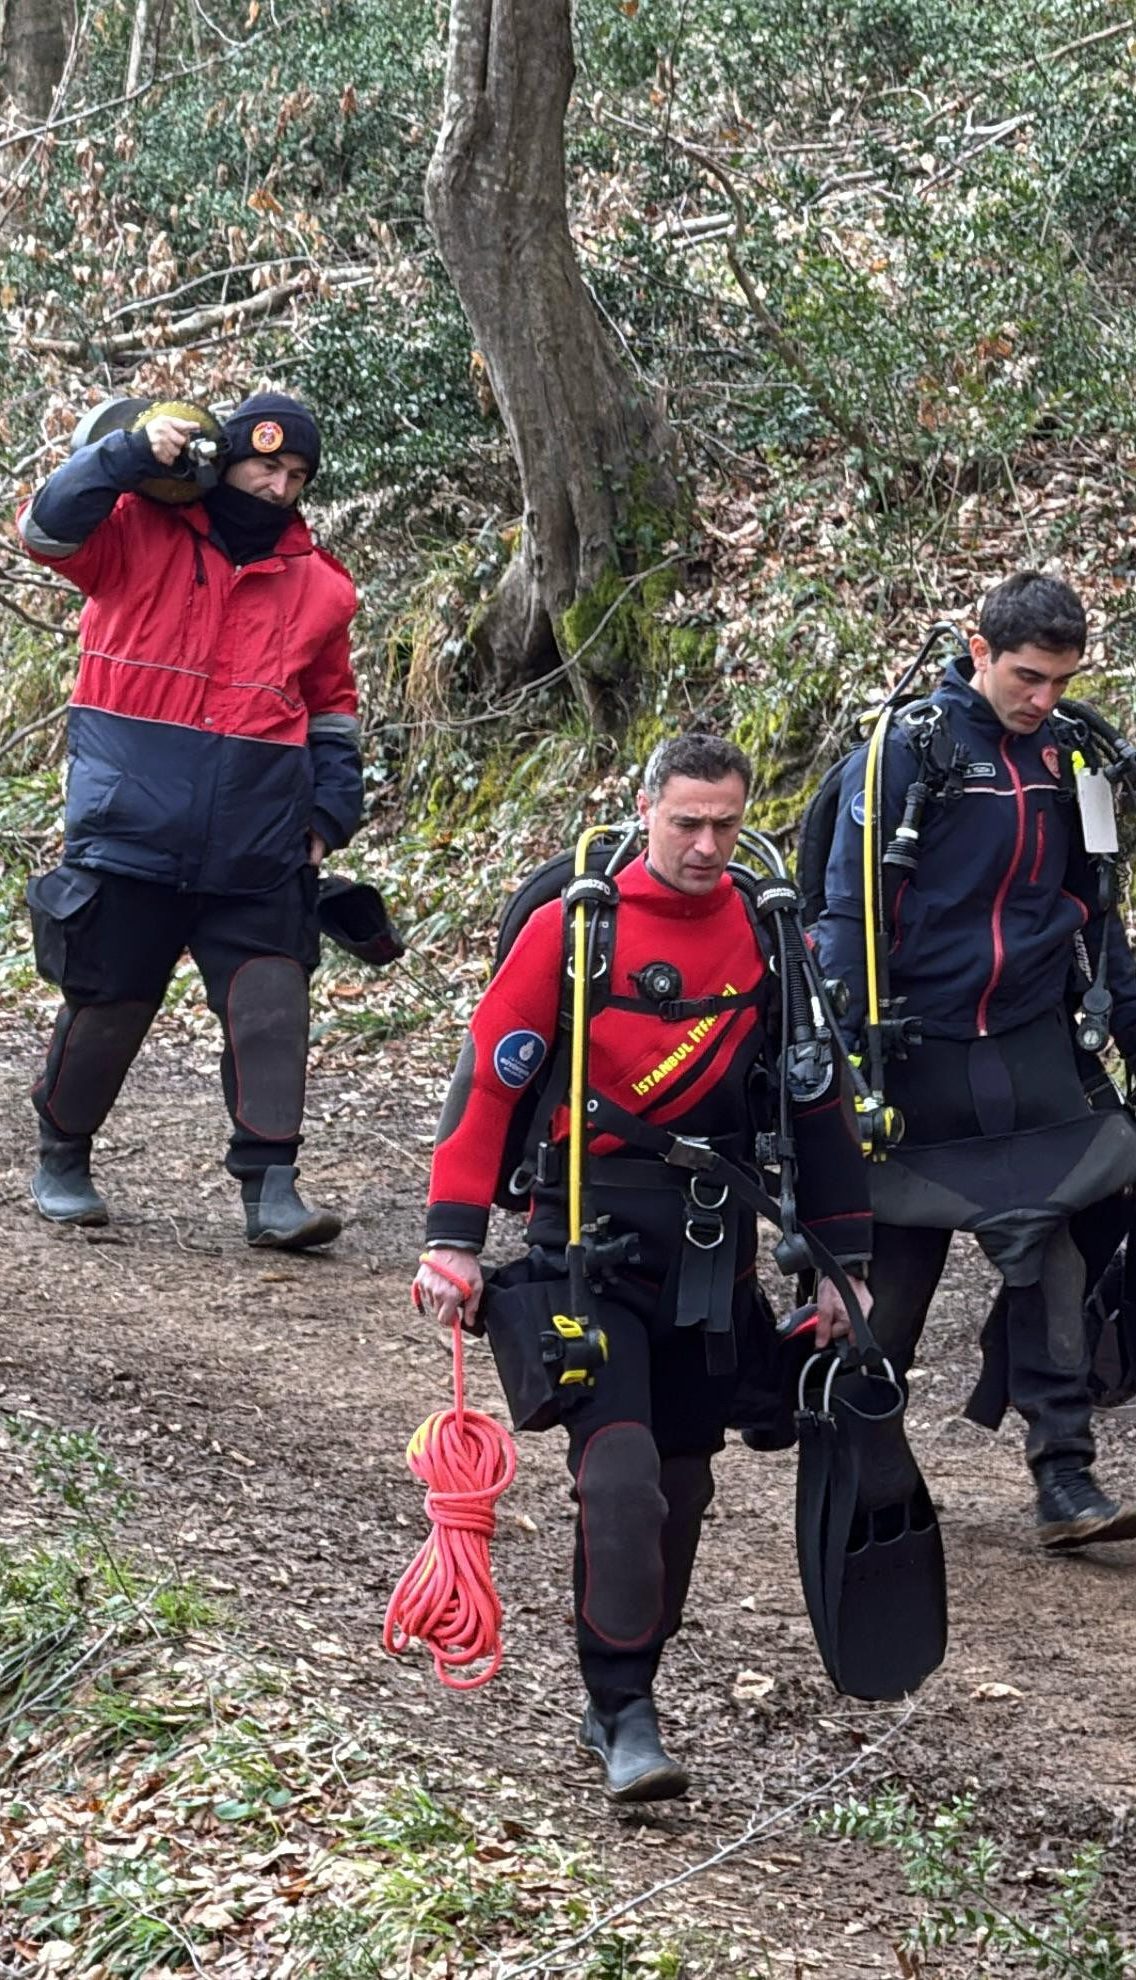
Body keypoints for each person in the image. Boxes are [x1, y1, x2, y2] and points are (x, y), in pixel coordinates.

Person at [414, 735, 874, 1803]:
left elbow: (816, 1106)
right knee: (617, 1480)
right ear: (644, 809)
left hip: (712, 1256)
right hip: (588, 1246)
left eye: (725, 824)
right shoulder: (575, 930)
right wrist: (451, 1240)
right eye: (686, 824)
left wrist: (841, 1268)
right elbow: (488, 1083)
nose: (707, 846)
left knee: (681, 1487)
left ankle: (622, 1687)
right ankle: (625, 1710)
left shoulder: (769, 934)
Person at [812, 572, 1136, 1551]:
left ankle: (1064, 1481)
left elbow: (1100, 913)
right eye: (1027, 677)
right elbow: (845, 919)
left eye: (1061, 681)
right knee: (889, 1283)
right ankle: (864, 1480)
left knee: (1052, 1257)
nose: (1043, 700)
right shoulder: (904, 758)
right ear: (977, 651)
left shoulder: (1074, 761)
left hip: (1028, 1046)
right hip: (914, 1055)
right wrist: (848, 1063)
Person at [11, 390, 361, 1249]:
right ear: (219, 458)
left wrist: (328, 812)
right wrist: (128, 453)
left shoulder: (321, 584)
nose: (278, 485)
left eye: (295, 474)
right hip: (129, 828)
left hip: (260, 841)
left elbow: (333, 710)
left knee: (272, 1005)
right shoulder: (130, 529)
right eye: (263, 465)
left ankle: (272, 1191)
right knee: (110, 1004)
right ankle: (62, 1159)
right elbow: (44, 529)